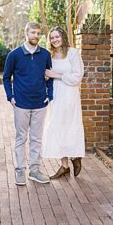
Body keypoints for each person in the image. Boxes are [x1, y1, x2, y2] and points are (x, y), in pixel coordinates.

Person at [3, 22, 55, 185]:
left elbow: (50, 76)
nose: (36, 36)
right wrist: (10, 97)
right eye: (33, 33)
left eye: (38, 33)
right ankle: (19, 171)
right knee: (21, 138)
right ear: (26, 33)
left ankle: (34, 170)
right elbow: (6, 77)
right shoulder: (14, 55)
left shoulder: (45, 54)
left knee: (36, 138)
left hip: (40, 103)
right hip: (21, 104)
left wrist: (49, 94)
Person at [42, 27, 87, 179]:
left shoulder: (72, 53)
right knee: (56, 127)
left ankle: (75, 157)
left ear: (63, 36)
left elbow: (77, 77)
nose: (54, 40)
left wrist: (56, 75)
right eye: (52, 38)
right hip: (56, 96)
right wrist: (47, 77)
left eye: (57, 37)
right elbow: (46, 74)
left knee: (70, 126)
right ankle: (64, 166)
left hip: (70, 96)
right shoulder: (50, 55)